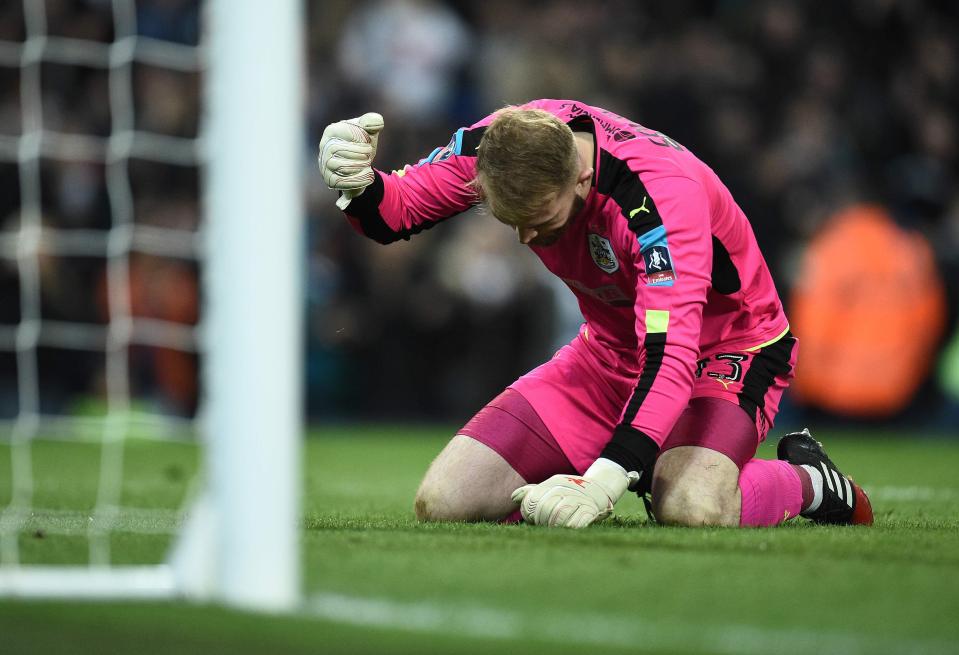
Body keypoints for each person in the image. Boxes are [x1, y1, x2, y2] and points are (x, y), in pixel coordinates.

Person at [318, 100, 874, 529]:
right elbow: (397, 214)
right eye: (509, 218)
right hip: (609, 352)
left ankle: (812, 482)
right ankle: (633, 462)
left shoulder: (657, 200)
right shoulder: (502, 146)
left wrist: (608, 475)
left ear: (581, 178)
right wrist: (357, 187)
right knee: (444, 502)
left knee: (688, 506)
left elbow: (671, 351)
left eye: (540, 219)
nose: (526, 237)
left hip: (723, 350)